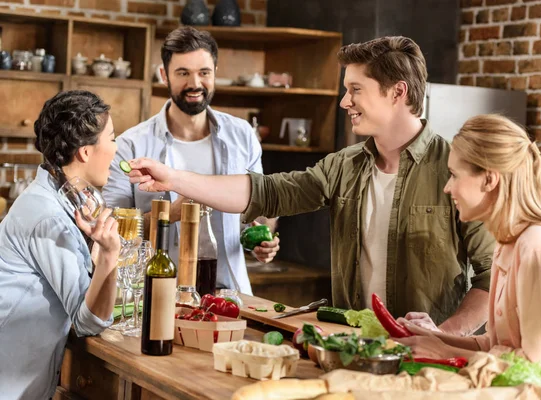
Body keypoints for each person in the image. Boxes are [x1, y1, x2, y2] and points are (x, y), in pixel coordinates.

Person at [125, 36, 497, 336]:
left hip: (429, 363)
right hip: (354, 349)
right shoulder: (344, 166)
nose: (343, 101)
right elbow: (266, 192)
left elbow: (490, 275)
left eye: (355, 89)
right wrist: (172, 178)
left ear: (397, 92)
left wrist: (446, 334)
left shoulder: (456, 170)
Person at [394, 114, 541, 395]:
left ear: (489, 179)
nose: (447, 187)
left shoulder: (537, 248)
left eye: (454, 175)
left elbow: (540, 372)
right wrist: (437, 338)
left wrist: (443, 352)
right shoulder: (509, 243)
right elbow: (497, 346)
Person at [102, 27, 279, 295]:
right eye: (183, 73)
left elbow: (261, 207)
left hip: (229, 293)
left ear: (215, 72)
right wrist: (172, 214)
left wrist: (262, 236)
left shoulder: (242, 135)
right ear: (164, 76)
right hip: (156, 293)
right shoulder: (131, 145)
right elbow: (114, 231)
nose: (195, 83)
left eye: (204, 72)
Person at [0, 90, 121, 399]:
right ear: (85, 152)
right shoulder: (48, 215)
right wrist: (109, 255)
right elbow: (89, 322)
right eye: (113, 139)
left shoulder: (58, 199)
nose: (116, 151)